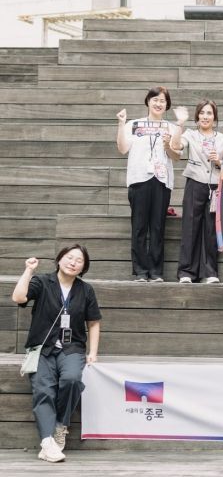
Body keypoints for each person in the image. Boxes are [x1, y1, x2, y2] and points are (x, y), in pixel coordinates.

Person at [12, 245, 101, 463]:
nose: (73, 263)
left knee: (72, 380)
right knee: (43, 389)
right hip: (42, 347)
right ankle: (47, 442)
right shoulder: (43, 282)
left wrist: (93, 352)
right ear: (59, 259)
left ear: (83, 267)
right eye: (69, 257)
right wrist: (28, 271)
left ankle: (60, 425)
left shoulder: (86, 290)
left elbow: (93, 322)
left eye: (79, 260)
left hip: (72, 348)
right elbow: (19, 297)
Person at [116, 86, 179, 282]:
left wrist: (168, 144)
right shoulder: (134, 125)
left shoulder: (171, 128)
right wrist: (121, 124)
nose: (158, 103)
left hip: (161, 180)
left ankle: (156, 271)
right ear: (148, 101)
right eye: (155, 99)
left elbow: (176, 156)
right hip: (139, 179)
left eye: (162, 101)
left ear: (167, 105)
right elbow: (122, 148)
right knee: (139, 227)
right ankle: (141, 271)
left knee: (158, 227)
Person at [171, 100, 223, 283]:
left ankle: (210, 272)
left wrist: (219, 161)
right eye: (202, 113)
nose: (205, 116)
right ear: (197, 117)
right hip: (195, 183)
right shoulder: (190, 134)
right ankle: (186, 272)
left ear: (215, 117)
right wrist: (180, 123)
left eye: (209, 113)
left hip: (215, 186)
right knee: (190, 227)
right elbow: (176, 146)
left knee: (211, 229)